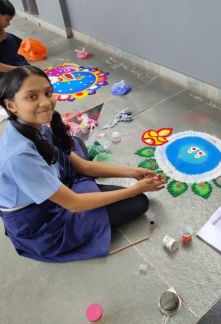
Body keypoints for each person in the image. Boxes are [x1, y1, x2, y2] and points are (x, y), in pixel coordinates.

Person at [0, 66, 166, 262]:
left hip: (56, 195)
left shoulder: (34, 128)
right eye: (31, 97)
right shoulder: (20, 156)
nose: (45, 102)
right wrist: (134, 189)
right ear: (11, 105)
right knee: (139, 201)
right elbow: (74, 204)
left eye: (47, 93)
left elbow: (84, 167)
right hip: (43, 223)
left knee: (75, 144)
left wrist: (132, 172)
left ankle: (89, 189)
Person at [0, 0, 29, 74]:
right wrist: (17, 70)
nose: (8, 24)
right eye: (7, 20)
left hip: (9, 60)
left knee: (10, 39)